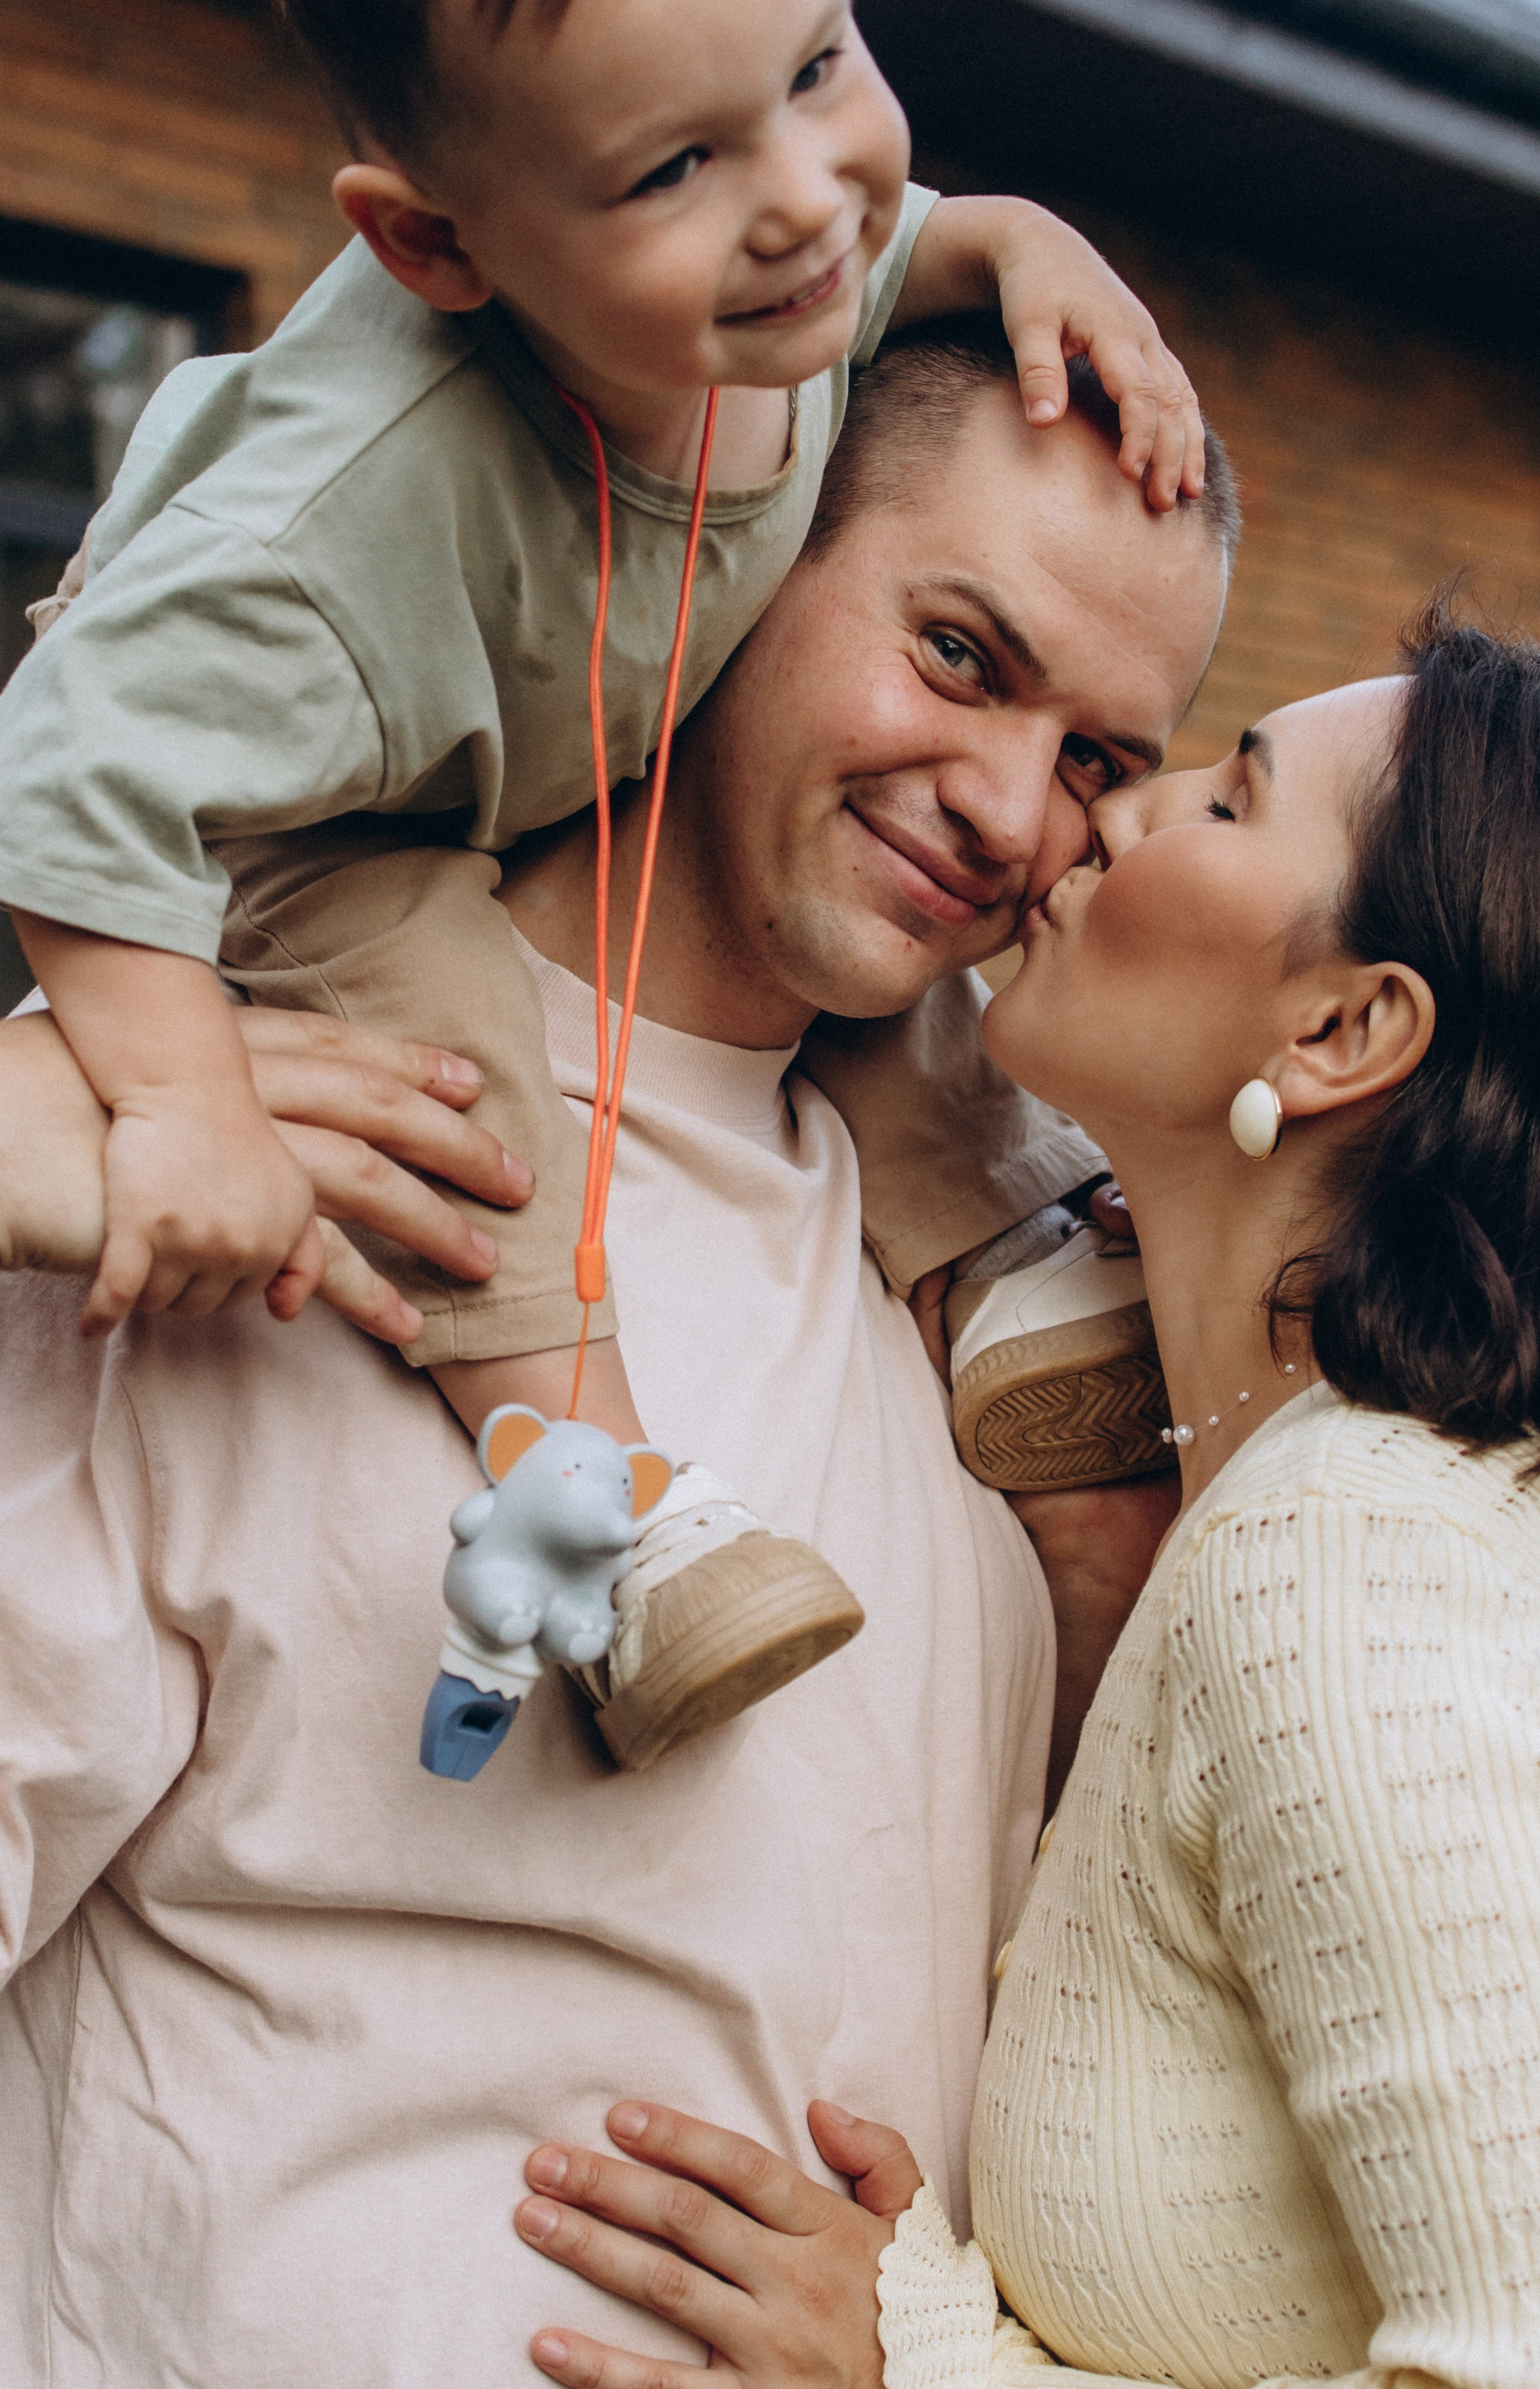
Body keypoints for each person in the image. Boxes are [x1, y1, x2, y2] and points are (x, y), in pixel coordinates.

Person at [0, 326, 1236, 2388]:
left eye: (1103, 760)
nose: (1013, 811)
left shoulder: (999, 1304)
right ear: (720, 572)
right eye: (957, 657)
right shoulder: (221, 1149)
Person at [0, 0, 1205, 1771]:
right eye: (673, 171)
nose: (808, 203)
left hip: (508, 724)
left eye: (820, 64)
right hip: (301, 804)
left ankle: (1010, 1251)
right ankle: (601, 1507)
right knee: (452, 1064)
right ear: (439, 248)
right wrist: (183, 1101)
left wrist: (1016, 239)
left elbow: (879, 228)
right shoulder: (333, 534)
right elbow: (66, 766)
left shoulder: (772, 287)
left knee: (912, 976)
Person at [505, 609, 1540, 2389]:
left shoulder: (1354, 1562)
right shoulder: (1395, 1500)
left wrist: (928, 2370)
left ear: (1342, 1029)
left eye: (1228, 799)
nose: (1105, 813)